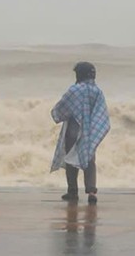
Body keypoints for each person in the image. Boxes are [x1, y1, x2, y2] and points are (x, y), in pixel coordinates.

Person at [50, 62, 110, 204]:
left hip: (74, 129)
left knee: (70, 159)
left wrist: (56, 115)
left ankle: (72, 191)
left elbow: (62, 108)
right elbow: (101, 114)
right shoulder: (97, 92)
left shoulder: (74, 90)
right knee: (89, 160)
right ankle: (91, 191)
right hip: (90, 131)